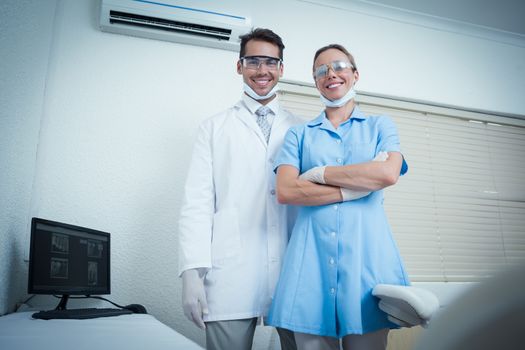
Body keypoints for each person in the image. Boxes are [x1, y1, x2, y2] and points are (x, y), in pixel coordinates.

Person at [267, 44, 410, 350]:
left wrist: (319, 173)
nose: (330, 74)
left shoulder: (380, 125)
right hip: (310, 265)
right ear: (315, 81)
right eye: (321, 70)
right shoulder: (299, 134)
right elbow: (287, 190)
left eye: (339, 66)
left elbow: (387, 174)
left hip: (366, 259)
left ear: (355, 75)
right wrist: (358, 185)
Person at [178, 28, 302, 350]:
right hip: (231, 272)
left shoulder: (301, 129)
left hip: (293, 269)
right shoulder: (213, 128)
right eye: (254, 61)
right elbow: (197, 204)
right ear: (239, 66)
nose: (262, 71)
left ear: (282, 69)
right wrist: (192, 271)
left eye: (271, 62)